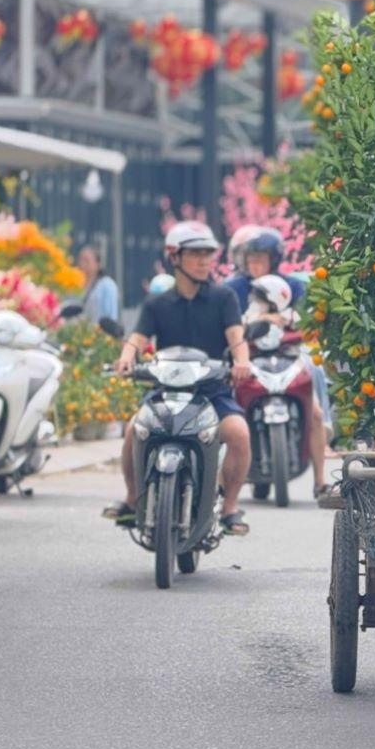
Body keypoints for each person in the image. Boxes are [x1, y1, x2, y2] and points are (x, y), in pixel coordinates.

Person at [103, 222, 254, 536]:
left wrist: (242, 361)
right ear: (174, 257)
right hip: (166, 392)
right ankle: (133, 500)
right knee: (134, 430)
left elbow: (237, 338)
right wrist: (126, 359)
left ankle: (229, 508)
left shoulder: (224, 297)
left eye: (207, 254)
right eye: (195, 254)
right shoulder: (156, 304)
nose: (203, 261)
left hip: (211, 393)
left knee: (239, 433)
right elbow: (136, 338)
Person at [242, 275, 331, 498]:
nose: (256, 300)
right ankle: (221, 483)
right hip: (256, 370)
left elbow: (310, 333)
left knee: (316, 414)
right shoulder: (249, 317)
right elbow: (236, 336)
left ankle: (320, 481)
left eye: (261, 297)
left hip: (288, 367)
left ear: (275, 299)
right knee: (233, 415)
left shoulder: (293, 317)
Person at [77, 244, 120, 324]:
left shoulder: (107, 285)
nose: (82, 264)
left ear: (97, 263)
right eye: (80, 260)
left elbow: (110, 316)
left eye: (87, 261)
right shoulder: (76, 286)